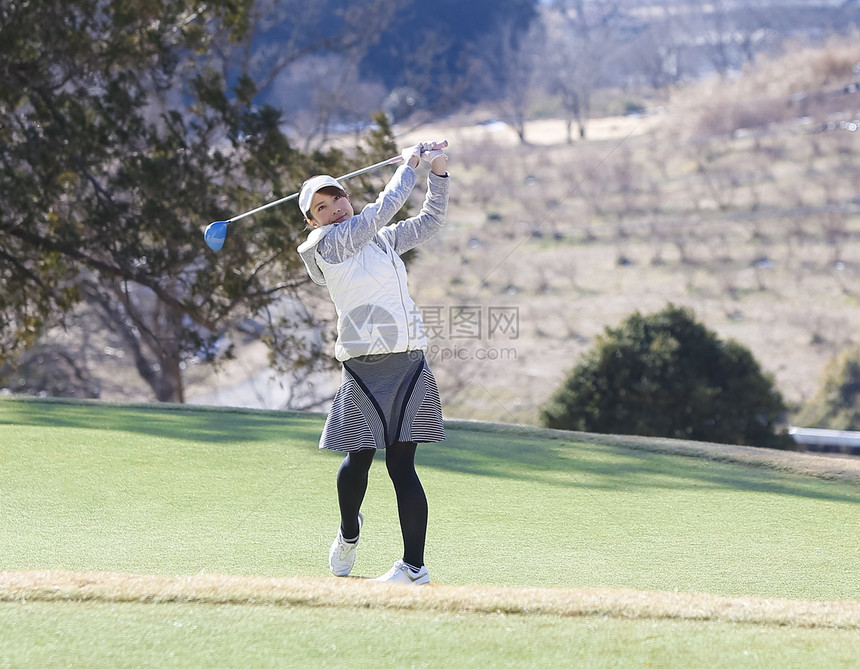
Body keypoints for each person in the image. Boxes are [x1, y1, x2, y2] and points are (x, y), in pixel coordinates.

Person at [297, 140, 450, 585]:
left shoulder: (380, 240)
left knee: (402, 466)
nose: (335, 208)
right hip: (363, 369)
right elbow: (376, 214)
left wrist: (437, 171)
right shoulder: (326, 246)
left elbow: (430, 222)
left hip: (407, 362)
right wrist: (408, 168)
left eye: (338, 197)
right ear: (312, 220)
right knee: (358, 459)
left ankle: (414, 568)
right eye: (322, 207)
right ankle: (349, 532)